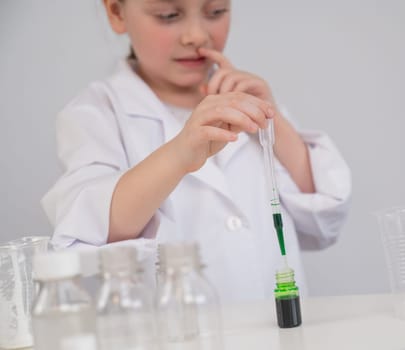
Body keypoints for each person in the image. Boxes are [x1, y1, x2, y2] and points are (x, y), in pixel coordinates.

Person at [42, 0, 351, 301]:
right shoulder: (97, 114)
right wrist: (179, 154)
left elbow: (323, 219)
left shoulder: (250, 101)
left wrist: (275, 122)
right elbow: (88, 230)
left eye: (215, 11)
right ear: (116, 13)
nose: (197, 35)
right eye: (168, 15)